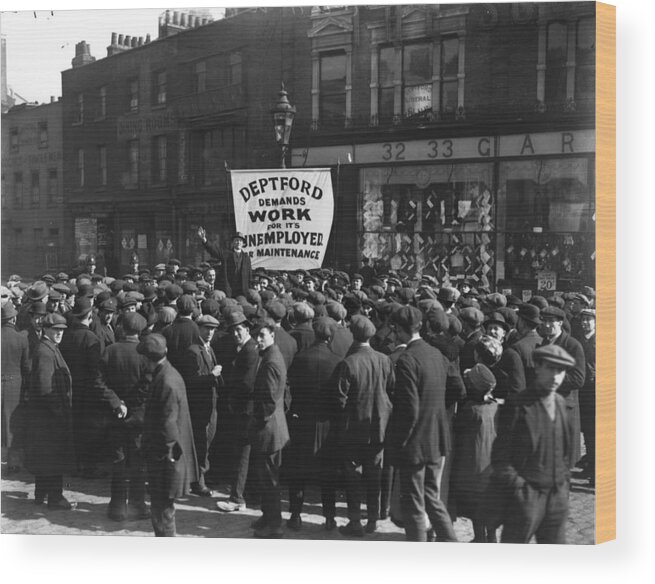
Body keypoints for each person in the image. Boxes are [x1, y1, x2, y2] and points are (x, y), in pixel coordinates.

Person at [386, 306, 458, 542]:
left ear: (398, 329)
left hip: (415, 443)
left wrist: (400, 444)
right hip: (437, 438)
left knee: (414, 505)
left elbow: (409, 409)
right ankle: (450, 541)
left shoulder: (407, 359)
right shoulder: (436, 354)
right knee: (432, 499)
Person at [491, 345, 577, 544]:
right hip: (527, 499)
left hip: (556, 498)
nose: (556, 377)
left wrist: (564, 485)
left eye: (561, 371)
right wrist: (519, 489)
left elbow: (565, 451)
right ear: (538, 367)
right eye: (551, 369)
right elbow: (500, 456)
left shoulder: (562, 404)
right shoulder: (519, 405)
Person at [334, 315, 395, 537]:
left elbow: (340, 399)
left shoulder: (348, 363)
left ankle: (355, 521)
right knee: (374, 475)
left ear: (353, 335)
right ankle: (372, 519)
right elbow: (391, 390)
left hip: (353, 429)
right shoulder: (384, 360)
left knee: (353, 477)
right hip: (379, 427)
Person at [139, 334, 199, 537]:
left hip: (165, 459)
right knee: (162, 508)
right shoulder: (167, 374)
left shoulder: (166, 381)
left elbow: (168, 428)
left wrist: (157, 455)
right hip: (167, 456)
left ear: (148, 358)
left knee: (163, 512)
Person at [286, 317, 342, 530]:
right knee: (328, 473)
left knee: (298, 472)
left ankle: (295, 515)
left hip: (302, 420)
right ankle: (329, 518)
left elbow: (293, 389)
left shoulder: (301, 358)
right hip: (327, 423)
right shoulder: (337, 360)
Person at [99, 312, 150, 521]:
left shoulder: (109, 351)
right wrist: (132, 404)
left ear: (122, 328)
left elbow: (99, 382)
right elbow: (147, 385)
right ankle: (138, 505)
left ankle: (117, 507)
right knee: (137, 461)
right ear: (140, 331)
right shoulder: (146, 354)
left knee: (118, 459)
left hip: (115, 415)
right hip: (139, 417)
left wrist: (117, 402)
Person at [23, 313, 75, 509]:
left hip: (45, 416)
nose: (60, 333)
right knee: (54, 457)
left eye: (62, 330)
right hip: (50, 417)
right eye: (56, 330)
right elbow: (46, 388)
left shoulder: (48, 348)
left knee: (46, 456)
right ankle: (55, 498)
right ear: (46, 329)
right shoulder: (46, 352)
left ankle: (42, 493)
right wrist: (59, 413)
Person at [249, 320, 290, 538]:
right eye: (257, 336)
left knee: (270, 480)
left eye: (262, 335)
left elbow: (269, 401)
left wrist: (257, 420)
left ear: (272, 335)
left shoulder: (272, 361)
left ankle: (274, 526)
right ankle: (267, 516)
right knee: (265, 477)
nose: (258, 339)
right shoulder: (270, 356)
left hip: (269, 429)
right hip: (271, 427)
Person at [215, 311, 259, 513]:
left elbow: (247, 384)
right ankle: (246, 494)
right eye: (233, 331)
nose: (235, 334)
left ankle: (237, 498)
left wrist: (234, 402)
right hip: (245, 408)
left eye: (239, 330)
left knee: (242, 452)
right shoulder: (244, 347)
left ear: (247, 329)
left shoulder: (250, 350)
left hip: (245, 410)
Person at [58, 296, 107, 477]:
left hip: (71, 388)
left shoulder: (66, 335)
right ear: (89, 315)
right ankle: (88, 467)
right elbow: (96, 369)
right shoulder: (91, 338)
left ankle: (75, 463)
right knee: (89, 429)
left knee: (74, 426)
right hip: (88, 390)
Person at [450, 364, 499, 542]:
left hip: (472, 467)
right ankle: (492, 537)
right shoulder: (494, 407)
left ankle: (480, 538)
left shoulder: (470, 410)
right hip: (491, 466)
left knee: (475, 506)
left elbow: (457, 429)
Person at [179, 314, 223, 496]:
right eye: (207, 328)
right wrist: (212, 376)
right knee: (201, 442)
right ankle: (199, 481)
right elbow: (191, 380)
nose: (210, 332)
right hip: (200, 405)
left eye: (213, 329)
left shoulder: (207, 348)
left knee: (207, 441)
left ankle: (201, 475)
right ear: (199, 329)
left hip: (210, 403)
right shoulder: (193, 350)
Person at [539, 306, 586, 466]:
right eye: (544, 321)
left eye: (551, 321)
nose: (546, 325)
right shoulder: (543, 344)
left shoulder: (572, 346)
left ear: (560, 323)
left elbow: (578, 379)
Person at [1, 302, 31, 473]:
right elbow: (26, 367)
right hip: (15, 384)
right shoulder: (21, 338)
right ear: (13, 319)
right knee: (12, 422)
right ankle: (13, 462)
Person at [197, 226, 252, 298]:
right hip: (228, 290)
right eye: (236, 240)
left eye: (240, 241)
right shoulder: (226, 254)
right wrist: (204, 240)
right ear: (233, 242)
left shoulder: (246, 258)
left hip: (242, 291)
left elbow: (249, 275)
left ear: (243, 244)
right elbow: (214, 251)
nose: (238, 242)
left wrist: (249, 289)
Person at [578, 308, 596, 484]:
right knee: (588, 432)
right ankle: (590, 465)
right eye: (583, 320)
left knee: (595, 432)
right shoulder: (580, 340)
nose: (585, 323)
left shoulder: (599, 341)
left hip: (595, 391)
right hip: (583, 391)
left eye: (589, 320)